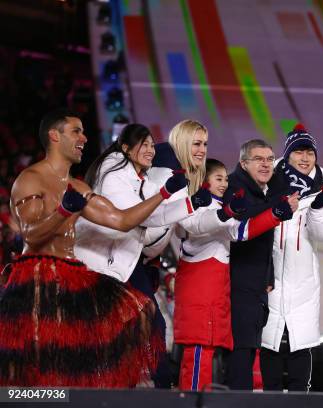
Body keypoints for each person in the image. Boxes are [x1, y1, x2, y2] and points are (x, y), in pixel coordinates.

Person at [0, 109, 187, 386]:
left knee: (141, 311)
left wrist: (164, 194)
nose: (84, 138)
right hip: (37, 278)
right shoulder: (31, 179)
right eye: (76, 131)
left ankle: (116, 391)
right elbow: (32, 236)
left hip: (73, 273)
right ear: (54, 136)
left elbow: (122, 221)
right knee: (40, 363)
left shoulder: (77, 186)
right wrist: (64, 211)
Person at [73, 123, 212, 388]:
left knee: (144, 327)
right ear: (125, 148)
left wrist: (191, 203)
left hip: (124, 260)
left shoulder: (143, 176)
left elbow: (152, 218)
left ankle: (146, 387)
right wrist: (170, 195)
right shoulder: (117, 173)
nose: (149, 150)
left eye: (151, 144)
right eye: (196, 143)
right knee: (117, 331)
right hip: (101, 262)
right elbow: (131, 223)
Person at [173, 158, 295, 391]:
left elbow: (242, 231)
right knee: (197, 359)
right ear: (203, 181)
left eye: (226, 179)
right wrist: (227, 211)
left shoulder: (219, 211)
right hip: (199, 299)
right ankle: (191, 403)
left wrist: (275, 215)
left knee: (207, 357)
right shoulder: (196, 209)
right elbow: (200, 225)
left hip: (215, 299)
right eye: (218, 179)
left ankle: (200, 402)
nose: (224, 184)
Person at [260, 124, 323, 392]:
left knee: (299, 353)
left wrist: (319, 206)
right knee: (269, 347)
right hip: (269, 280)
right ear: (288, 154)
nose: (305, 158)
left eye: (309, 152)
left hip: (304, 284)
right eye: (298, 152)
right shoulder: (267, 183)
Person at [223, 139, 298, 390]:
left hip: (254, 286)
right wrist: (276, 207)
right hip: (237, 286)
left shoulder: (261, 191)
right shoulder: (235, 189)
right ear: (243, 163)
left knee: (246, 351)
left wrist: (268, 278)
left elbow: (264, 241)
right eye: (258, 159)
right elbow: (244, 229)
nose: (266, 164)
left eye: (269, 159)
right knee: (241, 354)